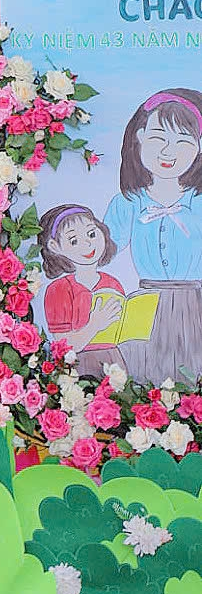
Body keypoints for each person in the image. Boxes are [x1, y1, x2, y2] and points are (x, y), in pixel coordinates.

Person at [104, 88, 202, 385]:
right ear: (140, 136)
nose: (168, 152)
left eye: (183, 142)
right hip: (145, 305)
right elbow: (102, 252)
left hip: (195, 306)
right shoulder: (128, 202)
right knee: (145, 380)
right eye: (159, 138)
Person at [38, 203, 127, 379]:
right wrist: (95, 325)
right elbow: (64, 344)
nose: (87, 243)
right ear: (55, 246)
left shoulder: (112, 284)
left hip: (113, 360)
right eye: (74, 241)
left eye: (91, 234)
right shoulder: (58, 290)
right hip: (77, 363)